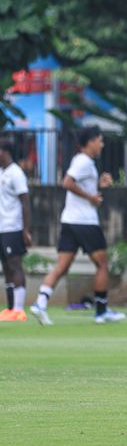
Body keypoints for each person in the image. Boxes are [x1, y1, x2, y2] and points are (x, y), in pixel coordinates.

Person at [30, 126, 125, 325]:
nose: (102, 144)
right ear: (90, 142)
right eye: (100, 140)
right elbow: (67, 183)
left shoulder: (82, 162)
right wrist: (91, 197)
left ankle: (40, 303)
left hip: (70, 220)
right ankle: (101, 311)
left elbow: (78, 185)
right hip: (85, 221)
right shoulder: (83, 161)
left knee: (62, 266)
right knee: (102, 264)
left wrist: (98, 186)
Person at [0, 138, 31, 322]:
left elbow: (25, 203)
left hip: (13, 226)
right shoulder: (2, 173)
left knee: (15, 264)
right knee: (5, 267)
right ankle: (11, 308)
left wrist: (26, 230)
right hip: (1, 227)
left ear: (3, 152)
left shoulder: (16, 173)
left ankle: (19, 309)